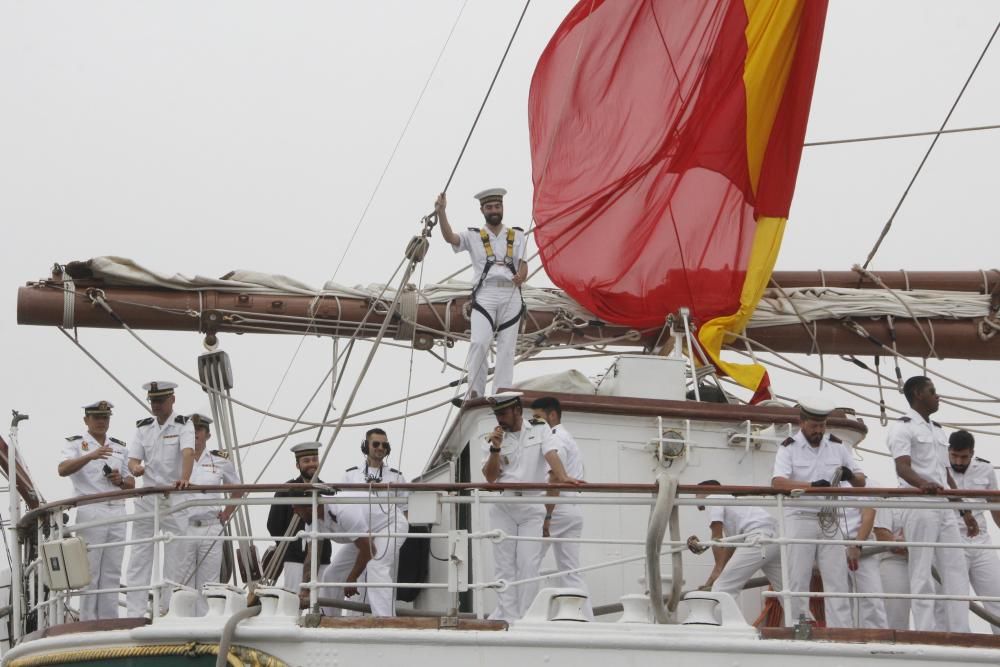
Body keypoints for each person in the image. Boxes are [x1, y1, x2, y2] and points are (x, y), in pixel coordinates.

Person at [482, 392, 580, 622]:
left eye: (503, 413)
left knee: (528, 564)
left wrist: (563, 476)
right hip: (504, 504)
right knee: (504, 565)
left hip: (531, 506)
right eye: (496, 414)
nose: (499, 419)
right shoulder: (491, 437)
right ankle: (508, 617)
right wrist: (495, 449)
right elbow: (490, 478)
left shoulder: (540, 429)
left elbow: (550, 453)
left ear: (517, 410)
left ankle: (525, 618)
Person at [771, 394, 866, 628]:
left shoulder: (837, 446)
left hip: (829, 519)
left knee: (837, 579)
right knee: (798, 578)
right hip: (800, 517)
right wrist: (811, 487)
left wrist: (850, 475)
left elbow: (861, 482)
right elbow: (778, 483)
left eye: (822, 425)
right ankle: (798, 626)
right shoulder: (788, 448)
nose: (818, 430)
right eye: (814, 425)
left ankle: (841, 630)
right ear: (802, 423)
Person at [887, 376, 973, 633]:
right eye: (932, 391)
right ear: (917, 394)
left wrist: (964, 510)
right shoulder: (902, 427)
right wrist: (923, 484)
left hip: (944, 507)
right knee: (921, 570)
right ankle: (925, 630)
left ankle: (960, 631)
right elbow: (902, 467)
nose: (938, 396)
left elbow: (946, 476)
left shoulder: (937, 429)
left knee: (956, 568)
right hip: (920, 504)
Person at [434, 188, 528, 401]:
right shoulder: (473, 236)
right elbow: (450, 237)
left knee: (506, 347)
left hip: (511, 293)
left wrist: (521, 276)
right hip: (485, 294)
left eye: (497, 206)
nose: (494, 210)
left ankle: (501, 393)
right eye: (489, 207)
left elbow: (523, 266)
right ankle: (474, 392)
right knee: (479, 342)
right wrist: (441, 212)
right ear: (482, 210)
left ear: (502, 208)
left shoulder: (518, 235)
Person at [320, 428, 410, 616]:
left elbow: (404, 511)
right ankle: (329, 618)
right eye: (375, 444)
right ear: (366, 446)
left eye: (384, 445)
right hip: (362, 531)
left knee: (377, 568)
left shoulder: (396, 476)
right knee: (333, 572)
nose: (380, 448)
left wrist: (394, 540)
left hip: (388, 528)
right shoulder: (351, 475)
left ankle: (384, 620)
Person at [58, 400, 134, 621]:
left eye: (106, 418)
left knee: (112, 571)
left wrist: (120, 480)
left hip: (117, 510)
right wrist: (89, 456)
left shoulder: (120, 447)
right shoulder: (75, 444)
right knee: (91, 571)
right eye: (97, 417)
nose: (102, 422)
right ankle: (88, 621)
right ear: (86, 420)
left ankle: (109, 621)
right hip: (91, 509)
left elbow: (131, 484)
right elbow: (62, 469)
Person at [125, 381, 195, 617]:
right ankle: (134, 613)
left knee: (176, 558)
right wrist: (135, 468)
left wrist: (184, 478)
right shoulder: (144, 428)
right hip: (148, 499)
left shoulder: (184, 425)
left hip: (173, 500)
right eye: (153, 401)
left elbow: (188, 452)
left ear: (172, 400)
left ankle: (168, 611)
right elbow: (133, 459)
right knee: (139, 557)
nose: (155, 405)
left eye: (160, 401)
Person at [529, 396, 592, 619]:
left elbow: (555, 477)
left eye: (537, 417)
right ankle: (585, 618)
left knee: (529, 561)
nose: (533, 422)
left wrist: (547, 517)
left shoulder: (555, 439)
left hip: (557, 510)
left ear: (552, 415)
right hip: (573, 509)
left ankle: (524, 616)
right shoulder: (567, 437)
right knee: (571, 571)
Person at [177, 412, 241, 614]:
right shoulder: (176, 459)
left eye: (199, 430)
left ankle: (205, 626)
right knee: (182, 580)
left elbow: (238, 488)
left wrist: (227, 513)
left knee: (209, 583)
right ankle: (182, 624)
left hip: (210, 526)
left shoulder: (220, 460)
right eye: (192, 431)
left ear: (207, 434)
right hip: (183, 526)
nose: (195, 434)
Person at [686, 480, 782, 602]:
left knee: (723, 588)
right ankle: (801, 619)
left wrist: (718, 573)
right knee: (785, 590)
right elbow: (730, 548)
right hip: (775, 539)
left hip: (758, 538)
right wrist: (711, 580)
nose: (695, 499)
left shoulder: (713, 497)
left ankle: (718, 621)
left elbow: (716, 537)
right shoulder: (734, 504)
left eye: (696, 494)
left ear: (704, 491)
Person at [948, 429, 1000, 634]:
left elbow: (995, 506)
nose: (959, 462)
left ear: (972, 453)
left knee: (996, 594)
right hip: (951, 540)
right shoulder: (938, 467)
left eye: (964, 457)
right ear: (948, 451)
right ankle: (960, 643)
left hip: (981, 541)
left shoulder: (985, 469)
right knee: (956, 598)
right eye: (955, 456)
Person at [265, 442, 331, 596]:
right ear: (298, 465)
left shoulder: (327, 489)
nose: (312, 464)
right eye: (306, 461)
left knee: (322, 605)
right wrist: (290, 549)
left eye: (314, 459)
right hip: (294, 561)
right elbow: (273, 525)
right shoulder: (287, 490)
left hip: (323, 559)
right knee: (294, 604)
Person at [840, 478, 888, 629]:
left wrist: (857, 544)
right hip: (832, 547)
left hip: (860, 547)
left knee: (871, 598)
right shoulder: (826, 480)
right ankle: (842, 640)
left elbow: (868, 516)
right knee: (839, 601)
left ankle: (878, 641)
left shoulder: (866, 482)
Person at [874, 507, 911, 630]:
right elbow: (882, 533)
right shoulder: (890, 502)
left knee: (935, 608)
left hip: (926, 562)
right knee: (895, 616)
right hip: (895, 562)